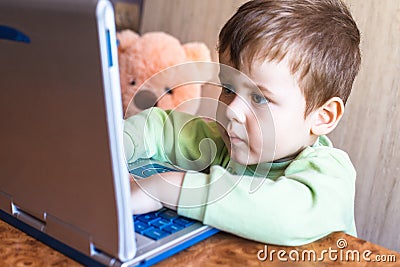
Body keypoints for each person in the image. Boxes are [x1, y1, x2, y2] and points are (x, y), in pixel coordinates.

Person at [124, 0, 361, 246]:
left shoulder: (330, 174)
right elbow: (159, 127)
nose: (232, 110)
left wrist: (171, 188)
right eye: (227, 88)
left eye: (259, 98)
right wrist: (111, 150)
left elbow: (289, 216)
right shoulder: (223, 141)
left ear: (323, 117)